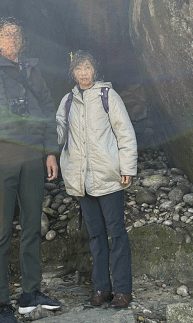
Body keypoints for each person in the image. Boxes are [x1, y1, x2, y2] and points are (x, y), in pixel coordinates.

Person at [0, 18, 62, 323]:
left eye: (17, 35)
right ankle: (1, 302)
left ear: (22, 40)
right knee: (0, 232)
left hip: (33, 159)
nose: (13, 39)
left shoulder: (32, 72)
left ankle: (30, 293)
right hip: (0, 160)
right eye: (6, 35)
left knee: (33, 225)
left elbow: (48, 113)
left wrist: (50, 153)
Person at [56, 50, 137, 309]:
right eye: (79, 68)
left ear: (95, 70)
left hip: (108, 177)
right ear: (73, 72)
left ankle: (123, 290)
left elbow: (125, 131)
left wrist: (127, 167)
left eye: (87, 68)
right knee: (95, 237)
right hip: (82, 180)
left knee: (116, 234)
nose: (83, 73)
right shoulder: (67, 101)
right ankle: (101, 288)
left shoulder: (107, 96)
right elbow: (59, 134)